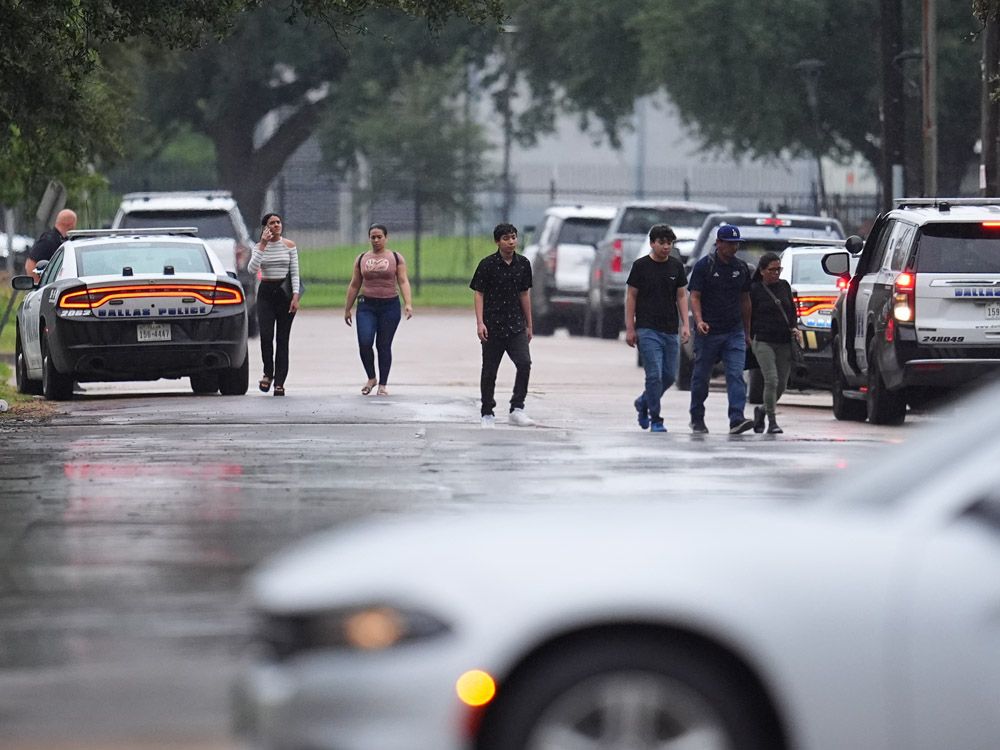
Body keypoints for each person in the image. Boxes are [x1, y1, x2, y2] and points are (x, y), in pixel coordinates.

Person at [688, 224, 754, 434]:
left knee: (735, 374)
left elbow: (745, 300)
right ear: (718, 243)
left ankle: (736, 418)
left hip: (734, 331)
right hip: (708, 332)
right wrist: (699, 321)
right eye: (729, 243)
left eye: (736, 244)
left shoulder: (741, 268)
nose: (733, 247)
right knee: (701, 377)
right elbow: (694, 296)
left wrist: (747, 332)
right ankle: (697, 417)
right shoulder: (704, 266)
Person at [625, 224, 690, 433]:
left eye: (669, 243)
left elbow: (681, 295)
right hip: (647, 328)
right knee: (654, 376)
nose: (666, 247)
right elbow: (631, 296)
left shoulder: (676, 267)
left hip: (670, 329)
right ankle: (656, 418)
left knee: (669, 376)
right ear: (652, 243)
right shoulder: (641, 266)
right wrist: (630, 328)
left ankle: (643, 401)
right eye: (662, 242)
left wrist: (685, 324)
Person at [470, 223, 534, 428]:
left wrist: (529, 324)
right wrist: (480, 322)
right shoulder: (487, 265)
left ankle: (517, 408)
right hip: (492, 325)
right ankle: (487, 411)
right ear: (497, 241)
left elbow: (524, 294)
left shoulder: (523, 264)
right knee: (490, 370)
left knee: (524, 363)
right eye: (506, 238)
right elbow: (479, 293)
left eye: (513, 237)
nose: (511, 242)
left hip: (515, 324)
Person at [344, 223, 413, 396]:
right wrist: (347, 308)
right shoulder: (362, 258)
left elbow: (403, 280)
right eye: (373, 237)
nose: (376, 240)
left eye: (379, 237)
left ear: (386, 238)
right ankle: (371, 377)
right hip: (367, 306)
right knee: (365, 342)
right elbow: (354, 284)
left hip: (389, 306)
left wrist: (408, 303)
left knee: (383, 345)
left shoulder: (395, 257)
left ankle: (383, 384)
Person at [248, 213, 300, 397]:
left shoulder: (289, 246)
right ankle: (268, 373)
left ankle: (280, 382)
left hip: (284, 292)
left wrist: (295, 296)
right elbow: (252, 269)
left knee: (282, 340)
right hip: (266, 293)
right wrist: (263, 244)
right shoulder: (259, 247)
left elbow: (295, 273)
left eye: (278, 222)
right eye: (272, 223)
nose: (277, 225)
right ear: (265, 227)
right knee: (266, 336)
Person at [749, 253, 800, 434]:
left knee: (781, 385)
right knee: (771, 380)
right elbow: (748, 314)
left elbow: (791, 311)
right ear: (762, 271)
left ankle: (762, 410)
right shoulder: (754, 289)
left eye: (779, 269)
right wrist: (748, 336)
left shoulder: (784, 286)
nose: (776, 273)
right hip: (763, 340)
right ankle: (772, 421)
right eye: (772, 270)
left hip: (784, 341)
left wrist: (794, 327)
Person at [26, 209, 77, 278]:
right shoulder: (48, 240)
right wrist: (38, 282)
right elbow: (30, 263)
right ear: (71, 224)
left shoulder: (63, 240)